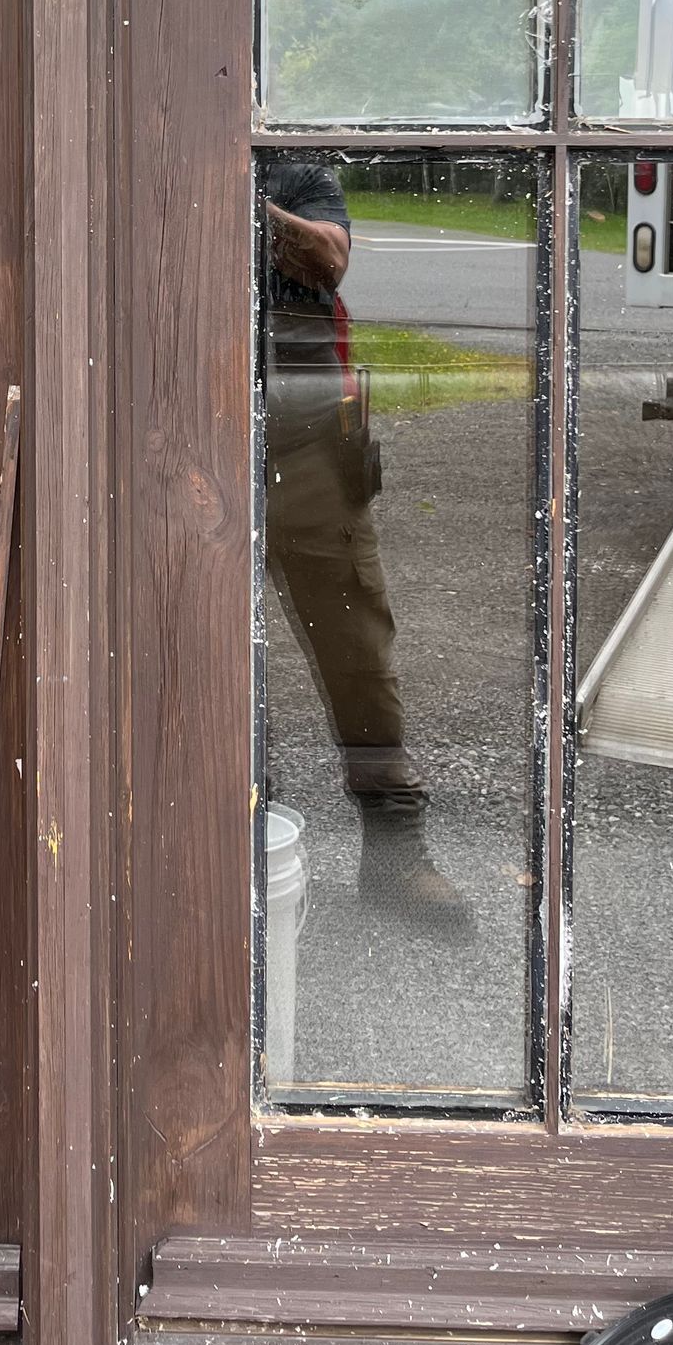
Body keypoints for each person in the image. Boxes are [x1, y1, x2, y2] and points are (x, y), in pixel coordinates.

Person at [263, 160, 469, 935]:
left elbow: (327, 257)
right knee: (191, 661)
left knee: (359, 659)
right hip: (181, 453)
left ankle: (395, 857)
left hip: (309, 456)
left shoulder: (292, 175)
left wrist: (241, 198)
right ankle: (215, 845)